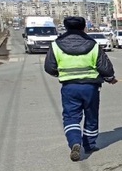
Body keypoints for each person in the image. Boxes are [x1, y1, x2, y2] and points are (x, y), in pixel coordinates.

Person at [44, 16, 117, 162]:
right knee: (91, 116)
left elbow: (49, 68)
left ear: (66, 27)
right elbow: (105, 68)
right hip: (91, 87)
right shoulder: (93, 45)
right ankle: (89, 145)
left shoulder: (56, 45)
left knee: (71, 117)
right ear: (84, 27)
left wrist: (62, 74)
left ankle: (75, 142)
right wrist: (110, 79)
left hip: (69, 87)